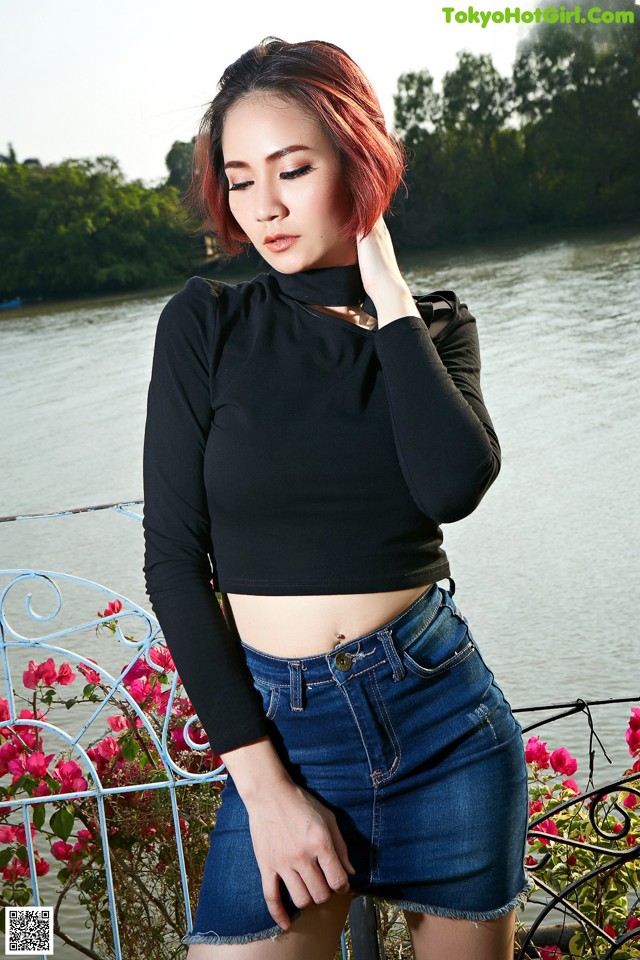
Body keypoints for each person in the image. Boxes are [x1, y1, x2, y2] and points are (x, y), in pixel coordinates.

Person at [142, 37, 532, 960]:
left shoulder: (434, 327)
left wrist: (386, 286)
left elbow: (453, 484)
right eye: (241, 180)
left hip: (447, 731)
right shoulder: (206, 323)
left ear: (355, 164)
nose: (265, 206)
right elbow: (172, 563)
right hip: (281, 738)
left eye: (294, 169)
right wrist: (267, 792)